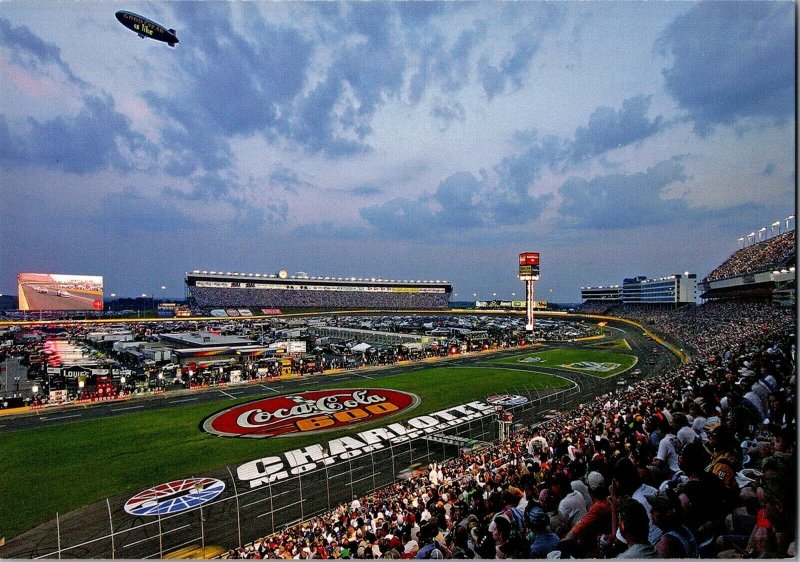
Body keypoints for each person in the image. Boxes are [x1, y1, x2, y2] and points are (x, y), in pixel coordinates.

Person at [646, 489, 698, 558]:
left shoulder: (666, 543)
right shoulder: (684, 528)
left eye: (656, 509)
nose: (651, 511)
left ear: (667, 514)